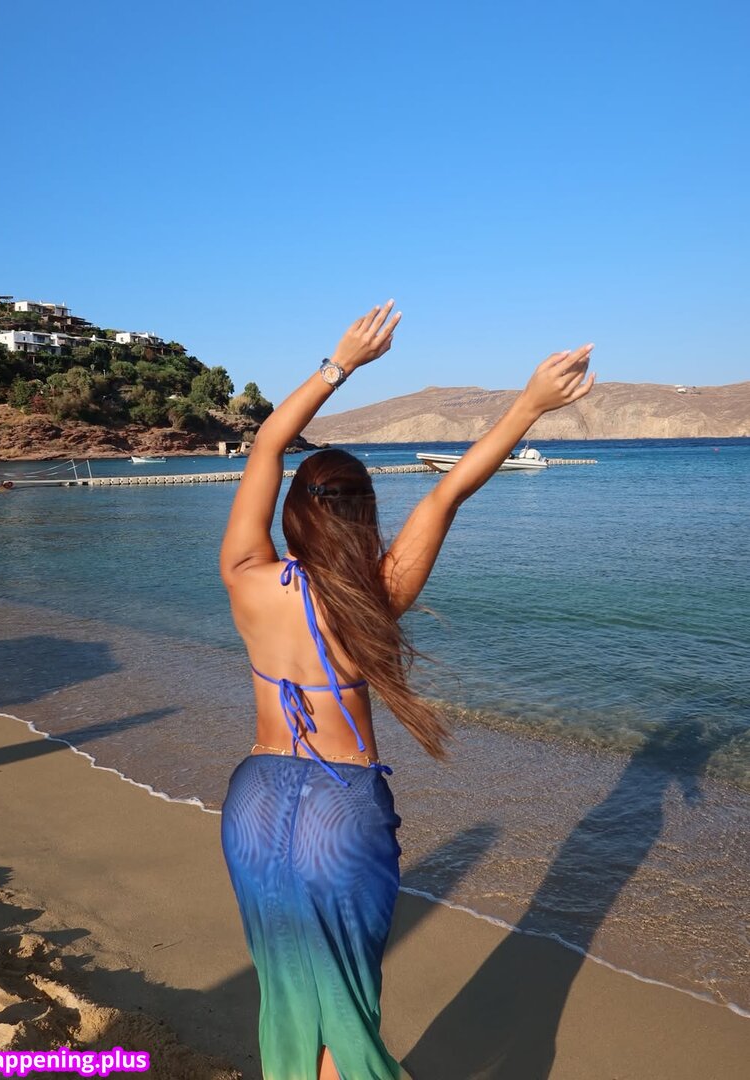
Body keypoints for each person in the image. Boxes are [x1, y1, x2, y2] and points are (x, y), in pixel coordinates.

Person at [219, 301, 594, 1080]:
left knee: (287, 985)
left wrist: (340, 364)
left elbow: (267, 443)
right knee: (346, 1002)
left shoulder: (245, 575)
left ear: (292, 513)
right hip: (337, 809)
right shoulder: (376, 591)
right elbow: (447, 492)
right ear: (364, 515)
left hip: (254, 799)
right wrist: (528, 405)